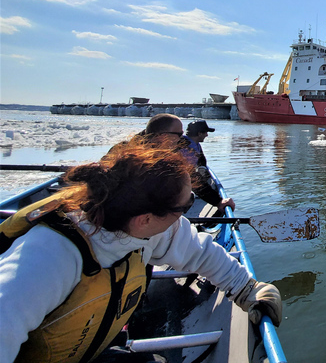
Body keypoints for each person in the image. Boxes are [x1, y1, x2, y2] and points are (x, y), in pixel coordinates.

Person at [0, 144, 281, 363]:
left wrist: (247, 288)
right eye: (185, 207)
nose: (187, 214)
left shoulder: (146, 228)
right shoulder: (46, 259)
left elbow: (199, 252)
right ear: (145, 219)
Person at [111, 114, 234, 212]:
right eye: (179, 134)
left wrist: (217, 201)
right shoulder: (126, 154)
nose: (182, 139)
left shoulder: (166, 151)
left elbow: (192, 177)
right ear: (162, 136)